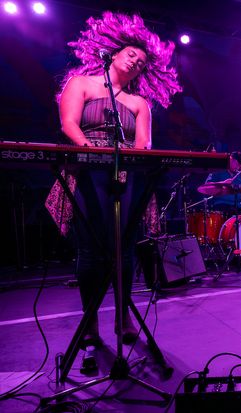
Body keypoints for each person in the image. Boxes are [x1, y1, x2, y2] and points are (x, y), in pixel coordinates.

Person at [52, 11, 182, 346]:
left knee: (124, 248)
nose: (137, 60)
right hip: (88, 171)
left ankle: (123, 317)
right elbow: (70, 124)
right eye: (131, 53)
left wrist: (128, 161)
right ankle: (90, 320)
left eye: (142, 61)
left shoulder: (139, 103)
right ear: (112, 51)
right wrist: (91, 153)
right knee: (91, 250)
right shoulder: (80, 84)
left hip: (125, 174)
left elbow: (144, 145)